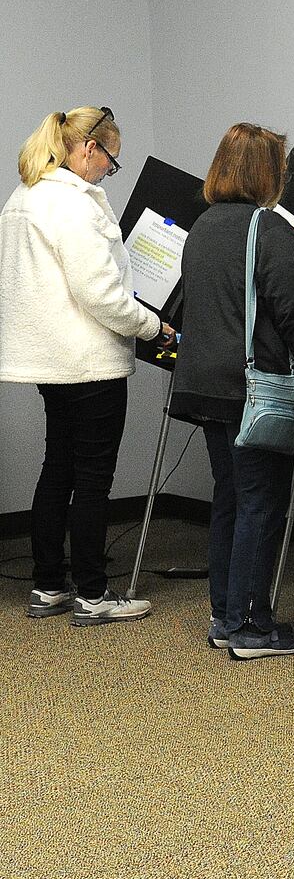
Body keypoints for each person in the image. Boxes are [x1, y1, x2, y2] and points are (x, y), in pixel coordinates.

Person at [0, 106, 175, 625]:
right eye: (110, 162)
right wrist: (154, 327)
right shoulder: (72, 206)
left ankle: (49, 585)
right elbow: (100, 294)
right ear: (87, 149)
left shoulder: (25, 198)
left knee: (58, 469)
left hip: (52, 362)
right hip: (90, 362)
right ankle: (95, 595)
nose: (107, 172)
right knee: (93, 478)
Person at [171, 123, 294, 660]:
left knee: (230, 499)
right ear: (268, 171)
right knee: (262, 503)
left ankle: (224, 614)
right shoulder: (269, 227)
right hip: (254, 389)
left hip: (205, 386)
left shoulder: (203, 226)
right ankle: (251, 627)